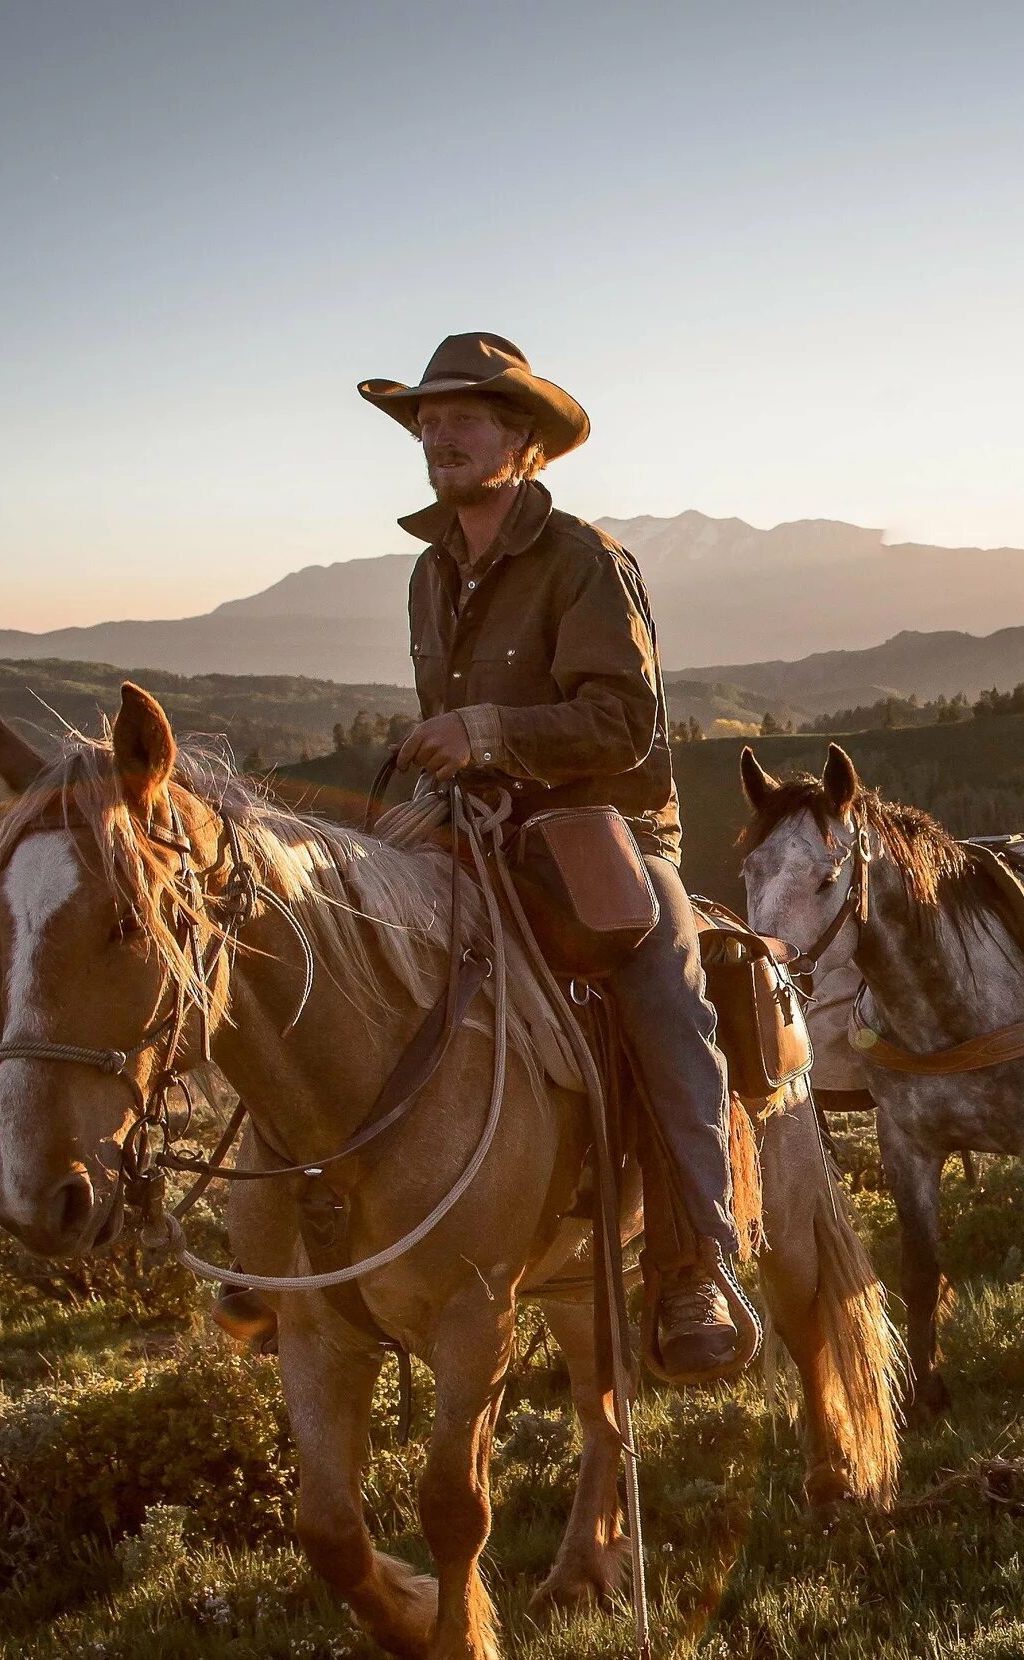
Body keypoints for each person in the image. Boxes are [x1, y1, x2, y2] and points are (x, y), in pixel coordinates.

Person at [360, 331, 746, 1382]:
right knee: (327, 934)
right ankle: (302, 1215)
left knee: (661, 975)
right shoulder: (428, 574)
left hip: (604, 823)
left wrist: (487, 730)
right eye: (427, 420)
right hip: (472, 823)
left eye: (463, 417)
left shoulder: (584, 561)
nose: (438, 433)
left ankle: (692, 1258)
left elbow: (624, 723)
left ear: (522, 440)